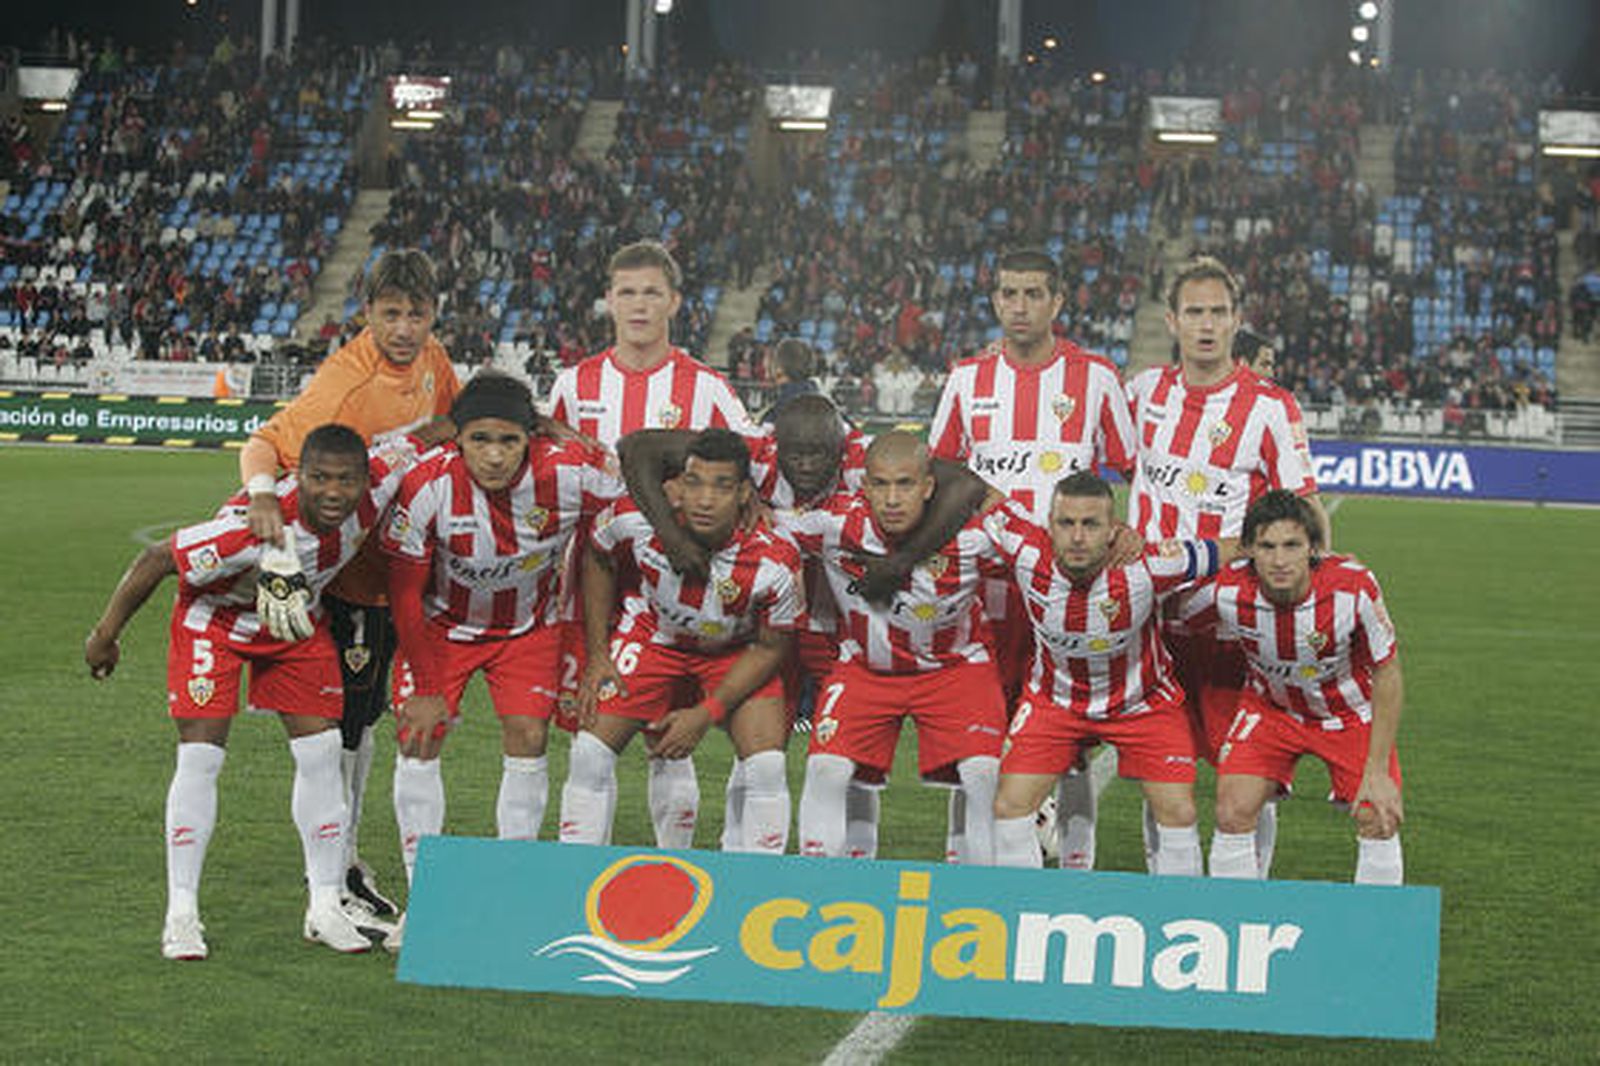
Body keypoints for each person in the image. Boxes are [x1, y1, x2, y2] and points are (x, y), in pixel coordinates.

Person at [84, 424, 424, 959]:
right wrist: (104, 637)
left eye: (346, 480)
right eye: (319, 479)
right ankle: (182, 915)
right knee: (201, 757)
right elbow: (155, 560)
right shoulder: (253, 526)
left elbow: (434, 429)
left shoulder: (382, 481)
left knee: (323, 752)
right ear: (298, 476)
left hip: (294, 628)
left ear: (366, 479)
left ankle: (326, 906)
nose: (333, 492)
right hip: (214, 623)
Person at [619, 394, 993, 857]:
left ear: (843, 443)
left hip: (845, 626)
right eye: (796, 453)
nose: (808, 464)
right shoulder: (753, 450)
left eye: (821, 453)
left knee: (849, 759)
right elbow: (637, 448)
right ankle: (741, 852)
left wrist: (900, 562)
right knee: (759, 749)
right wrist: (673, 536)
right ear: (776, 445)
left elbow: (965, 485)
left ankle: (855, 860)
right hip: (769, 621)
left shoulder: (864, 460)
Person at [238, 248, 460, 918]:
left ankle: (347, 863)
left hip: (391, 573)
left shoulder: (434, 361)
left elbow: (447, 423)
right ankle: (328, 881)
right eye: (389, 314)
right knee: (333, 734)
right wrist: (259, 497)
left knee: (360, 729)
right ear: (366, 314)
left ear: (432, 315)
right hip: (339, 581)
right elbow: (265, 441)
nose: (402, 328)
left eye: (415, 314)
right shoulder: (343, 386)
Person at [380, 373, 623, 947]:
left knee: (528, 737)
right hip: (440, 629)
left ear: (532, 438)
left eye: (509, 441)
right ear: (457, 440)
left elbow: (626, 495)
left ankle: (515, 885)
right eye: (480, 440)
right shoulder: (424, 486)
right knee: (420, 736)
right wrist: (426, 684)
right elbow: (405, 594)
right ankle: (424, 899)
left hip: (527, 631)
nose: (494, 456)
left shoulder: (569, 472)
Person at [929, 248, 1139, 870]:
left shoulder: (1096, 376)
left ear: (1057, 302)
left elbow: (1134, 469)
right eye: (1009, 295)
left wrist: (1122, 532)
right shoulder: (967, 378)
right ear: (995, 301)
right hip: (982, 586)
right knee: (976, 722)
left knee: (1070, 727)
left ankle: (1076, 864)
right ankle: (964, 857)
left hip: (1067, 583)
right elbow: (941, 466)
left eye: (1033, 295)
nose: (1019, 307)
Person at [547, 241, 758, 850]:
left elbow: (749, 484)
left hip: (678, 589)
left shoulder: (708, 389)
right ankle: (583, 871)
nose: (639, 305)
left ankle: (676, 866)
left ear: (675, 302)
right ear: (608, 300)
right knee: (592, 731)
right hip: (591, 582)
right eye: (627, 292)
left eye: (651, 293)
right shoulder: (574, 384)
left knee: (667, 741)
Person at [1126, 256, 1329, 878]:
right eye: (1195, 312)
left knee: (1246, 777)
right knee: (1163, 778)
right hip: (1152, 624)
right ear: (1172, 321)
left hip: (1233, 626)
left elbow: (1308, 511)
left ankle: (1247, 894)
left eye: (1218, 312)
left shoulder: (1269, 407)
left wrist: (1309, 596)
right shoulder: (1142, 394)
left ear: (1237, 321)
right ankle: (1171, 893)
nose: (1207, 325)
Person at [561, 429, 801, 853]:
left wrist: (706, 713)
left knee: (766, 766)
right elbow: (597, 556)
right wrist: (598, 654)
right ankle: (574, 876)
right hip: (654, 638)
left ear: (746, 493)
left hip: (734, 652)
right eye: (695, 482)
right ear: (676, 485)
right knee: (588, 755)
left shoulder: (775, 558)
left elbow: (771, 647)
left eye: (722, 486)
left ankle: (755, 888)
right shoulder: (634, 520)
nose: (705, 499)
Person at [984, 473, 1234, 874]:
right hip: (1054, 703)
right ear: (1050, 525)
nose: (1078, 536)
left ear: (1113, 530)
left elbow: (1227, 550)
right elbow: (975, 491)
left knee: (1179, 812)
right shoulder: (1025, 547)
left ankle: (1183, 919)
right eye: (1067, 523)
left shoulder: (1148, 565)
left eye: (1091, 524)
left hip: (1143, 705)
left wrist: (1311, 553)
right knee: (1010, 807)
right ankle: (1022, 916)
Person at [790, 432, 1009, 865]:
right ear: (864, 486)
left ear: (929, 487)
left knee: (983, 774)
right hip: (865, 669)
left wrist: (1118, 540)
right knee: (825, 770)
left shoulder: (974, 536)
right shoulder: (834, 524)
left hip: (955, 668)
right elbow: (756, 524)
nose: (892, 499)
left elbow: (1046, 544)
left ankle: (986, 893)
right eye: (881, 484)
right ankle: (817, 886)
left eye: (905, 484)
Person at [1185, 491, 1405, 885]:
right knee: (1232, 810)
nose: (1280, 560)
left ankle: (1373, 933)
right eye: (1267, 546)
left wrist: (1378, 769)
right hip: (1270, 710)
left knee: (1379, 815)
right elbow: (1172, 614)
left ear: (1315, 549)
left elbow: (1388, 673)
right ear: (1248, 550)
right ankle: (1236, 924)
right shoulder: (1227, 592)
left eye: (1292, 545)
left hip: (1348, 715)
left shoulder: (1354, 588)